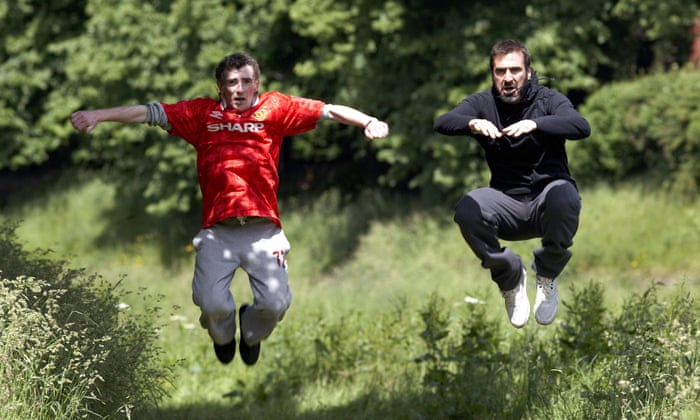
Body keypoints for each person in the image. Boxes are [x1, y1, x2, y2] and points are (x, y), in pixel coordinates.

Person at [71, 52, 389, 365]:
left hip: (262, 230)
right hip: (218, 231)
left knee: (275, 304)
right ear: (220, 87)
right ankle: (222, 336)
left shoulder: (275, 108)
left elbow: (328, 111)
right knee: (211, 304)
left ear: (257, 83)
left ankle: (250, 331)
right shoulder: (201, 114)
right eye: (232, 82)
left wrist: (368, 121)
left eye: (246, 81)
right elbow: (149, 112)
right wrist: (98, 115)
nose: (239, 89)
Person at [433, 39, 590, 328]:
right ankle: (511, 278)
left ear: (528, 72)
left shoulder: (548, 100)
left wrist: (537, 124)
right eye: (500, 71)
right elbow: (443, 121)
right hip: (507, 206)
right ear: (493, 74)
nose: (508, 78)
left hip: (546, 204)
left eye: (515, 70)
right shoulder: (483, 103)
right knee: (467, 208)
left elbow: (581, 126)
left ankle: (547, 274)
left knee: (565, 194)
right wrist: (471, 124)